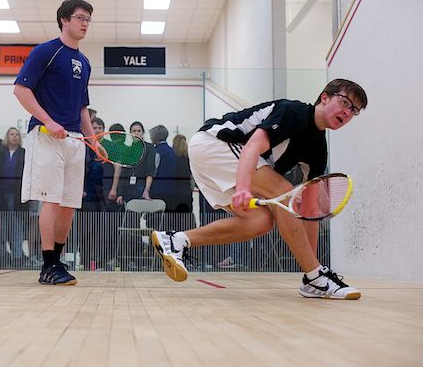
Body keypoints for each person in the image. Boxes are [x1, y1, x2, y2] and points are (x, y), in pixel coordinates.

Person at [151, 79, 368, 300]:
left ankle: (177, 240)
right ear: (325, 97)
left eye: (354, 110)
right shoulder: (293, 112)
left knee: (260, 222)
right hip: (213, 143)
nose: (348, 112)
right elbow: (253, 146)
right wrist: (243, 189)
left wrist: (310, 264)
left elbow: (309, 212)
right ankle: (315, 279)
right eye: (345, 102)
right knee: (283, 190)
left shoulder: (318, 150)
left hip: (214, 161)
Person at [13, 0, 100, 285]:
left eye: (88, 19)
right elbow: (21, 90)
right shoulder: (45, 52)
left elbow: (81, 108)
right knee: (50, 200)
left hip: (75, 141)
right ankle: (47, 265)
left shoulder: (85, 62)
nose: (85, 23)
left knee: (68, 204)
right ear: (64, 20)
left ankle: (57, 263)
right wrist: (48, 121)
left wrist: (92, 140)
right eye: (80, 17)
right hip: (46, 136)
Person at [0, 127, 27, 263]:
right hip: (0, 192)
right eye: (11, 134)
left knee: (16, 224)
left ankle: (17, 255)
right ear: (7, 137)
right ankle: (2, 254)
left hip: (17, 194)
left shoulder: (24, 153)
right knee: (2, 224)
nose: (14, 137)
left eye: (17, 134)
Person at [116, 121, 156, 205]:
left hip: (142, 187)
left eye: (138, 131)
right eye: (134, 131)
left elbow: (150, 171)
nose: (136, 133)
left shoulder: (149, 148)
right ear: (130, 133)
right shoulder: (127, 150)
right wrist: (120, 194)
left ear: (143, 132)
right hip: (128, 189)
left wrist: (146, 190)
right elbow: (123, 172)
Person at [149, 125, 177, 211]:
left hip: (157, 190)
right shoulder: (172, 151)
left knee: (155, 219)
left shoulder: (156, 151)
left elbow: (153, 170)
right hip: (171, 189)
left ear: (155, 137)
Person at [172, 134, 193, 213]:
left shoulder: (173, 159)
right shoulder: (189, 159)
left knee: (175, 219)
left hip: (175, 191)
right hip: (187, 191)